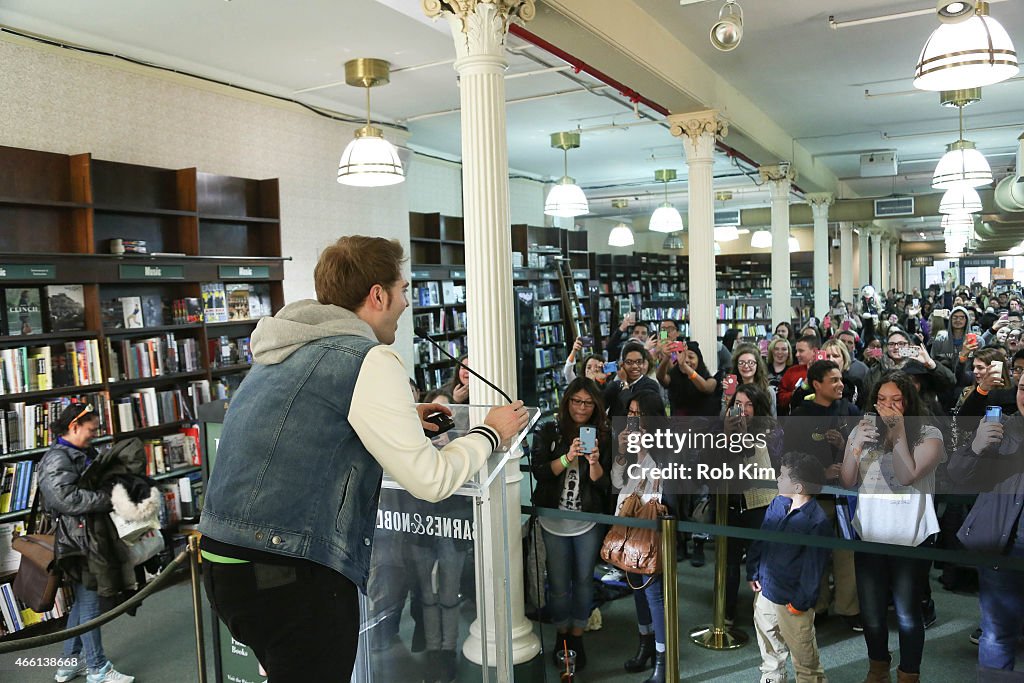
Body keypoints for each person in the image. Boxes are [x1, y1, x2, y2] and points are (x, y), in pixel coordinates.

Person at [198, 236, 528, 682]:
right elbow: (431, 481)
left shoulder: (285, 347)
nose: (408, 302)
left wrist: (401, 417)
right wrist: (491, 432)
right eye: (404, 289)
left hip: (226, 565)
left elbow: (301, 426)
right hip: (294, 574)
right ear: (377, 295)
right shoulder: (367, 357)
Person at [841, 371, 945, 683]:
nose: (888, 407)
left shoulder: (929, 434)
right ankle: (878, 668)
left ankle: (908, 674)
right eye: (882, 400)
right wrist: (854, 444)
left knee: (908, 615)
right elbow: (847, 480)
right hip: (871, 533)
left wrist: (898, 434)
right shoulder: (865, 429)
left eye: (896, 400)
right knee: (872, 615)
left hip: (910, 536)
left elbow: (907, 475)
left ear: (908, 402)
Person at [39, 403, 136, 683]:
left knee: (83, 603)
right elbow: (66, 499)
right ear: (74, 427)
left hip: (88, 537)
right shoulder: (57, 459)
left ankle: (69, 664)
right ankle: (97, 668)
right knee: (91, 603)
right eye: (91, 430)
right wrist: (110, 500)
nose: (94, 435)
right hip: (78, 543)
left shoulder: (81, 452)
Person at [530, 377, 611, 671]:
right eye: (576, 401)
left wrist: (593, 462)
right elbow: (541, 473)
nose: (581, 408)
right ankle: (561, 633)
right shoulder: (549, 429)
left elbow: (603, 483)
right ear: (567, 402)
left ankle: (577, 634)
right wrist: (567, 457)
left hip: (587, 521)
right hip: (554, 520)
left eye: (588, 403)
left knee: (585, 581)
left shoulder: (602, 432)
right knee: (559, 583)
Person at [950, 369, 1024, 677]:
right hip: (1001, 547)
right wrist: (977, 447)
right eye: (1023, 387)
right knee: (996, 634)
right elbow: (956, 476)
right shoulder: (1001, 429)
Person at [747, 452, 832, 683]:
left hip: (793, 601)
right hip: (766, 589)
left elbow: (814, 569)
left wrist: (800, 602)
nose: (777, 478)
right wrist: (753, 569)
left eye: (782, 476)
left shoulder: (817, 522)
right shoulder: (777, 503)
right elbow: (761, 538)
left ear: (797, 486)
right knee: (767, 636)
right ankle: (773, 675)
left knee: (804, 654)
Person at [612, 391, 677, 683]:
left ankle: (663, 659)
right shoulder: (630, 444)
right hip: (627, 527)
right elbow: (616, 482)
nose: (633, 419)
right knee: (635, 588)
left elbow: (663, 492)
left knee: (653, 594)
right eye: (630, 413)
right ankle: (645, 644)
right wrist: (624, 452)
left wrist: (644, 450)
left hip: (652, 530)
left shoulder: (667, 447)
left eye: (639, 414)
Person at [656, 340, 718, 417]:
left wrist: (684, 366)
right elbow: (660, 377)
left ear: (699, 360)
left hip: (703, 425)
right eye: (683, 357)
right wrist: (667, 358)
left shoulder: (710, 380)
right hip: (678, 425)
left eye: (691, 357)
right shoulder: (673, 377)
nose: (686, 360)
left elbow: (705, 387)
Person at [604, 341, 660, 418]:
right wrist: (600, 381)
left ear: (643, 363)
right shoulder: (616, 385)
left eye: (639, 362)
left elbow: (634, 408)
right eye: (629, 362)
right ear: (622, 364)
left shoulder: (650, 385)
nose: (634, 366)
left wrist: (625, 383)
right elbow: (600, 405)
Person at [722, 343, 776, 416]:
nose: (746, 366)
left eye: (751, 362)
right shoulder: (730, 388)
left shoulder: (768, 391)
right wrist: (730, 399)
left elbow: (772, 420)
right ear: (736, 365)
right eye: (741, 363)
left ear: (757, 365)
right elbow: (723, 418)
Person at [777, 335, 819, 416]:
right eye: (796, 351)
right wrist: (794, 394)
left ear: (814, 351)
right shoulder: (791, 371)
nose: (797, 354)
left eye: (801, 351)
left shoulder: (826, 371)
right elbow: (781, 398)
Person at [822, 338, 865, 409]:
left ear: (844, 359)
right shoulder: (815, 383)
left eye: (835, 356)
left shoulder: (854, 384)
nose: (831, 360)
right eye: (827, 356)